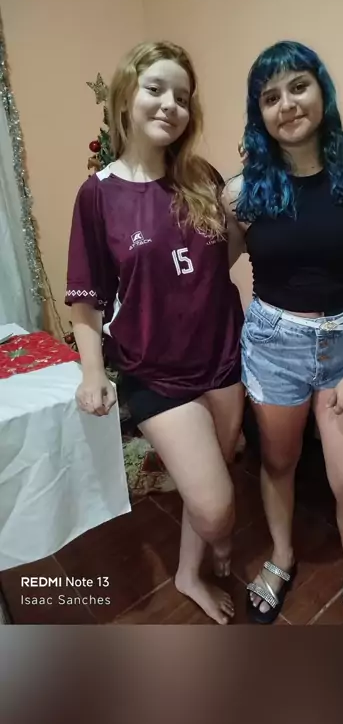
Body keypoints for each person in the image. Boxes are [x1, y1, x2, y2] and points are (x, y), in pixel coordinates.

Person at [66, 40, 245, 624]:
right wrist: (93, 372)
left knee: (212, 475)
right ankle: (218, 539)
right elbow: (87, 297)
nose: (171, 104)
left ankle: (190, 572)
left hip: (223, 356)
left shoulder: (202, 178)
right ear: (126, 97)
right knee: (216, 507)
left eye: (183, 97)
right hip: (155, 372)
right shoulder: (99, 194)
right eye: (156, 89)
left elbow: (221, 259)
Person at [224, 40, 343, 625]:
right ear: (259, 114)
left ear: (322, 90)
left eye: (298, 86)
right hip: (273, 346)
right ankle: (282, 556)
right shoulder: (242, 193)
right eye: (270, 97)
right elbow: (209, 268)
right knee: (279, 463)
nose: (288, 104)